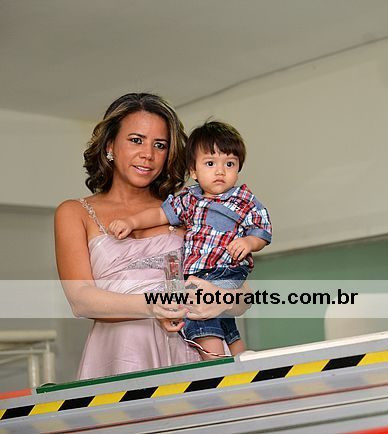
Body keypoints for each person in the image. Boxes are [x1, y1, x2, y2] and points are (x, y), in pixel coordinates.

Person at [55, 94, 248, 379]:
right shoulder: (74, 212)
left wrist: (224, 299)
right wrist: (154, 305)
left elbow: (242, 291)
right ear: (110, 145)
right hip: (121, 355)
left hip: (190, 349)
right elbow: (81, 300)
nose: (148, 154)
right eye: (136, 140)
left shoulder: (188, 208)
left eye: (160, 145)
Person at [109, 121, 272, 359]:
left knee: (200, 317)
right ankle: (242, 359)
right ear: (194, 171)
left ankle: (216, 366)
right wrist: (132, 222)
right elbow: (160, 214)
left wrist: (249, 243)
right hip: (198, 273)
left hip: (227, 271)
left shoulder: (243, 199)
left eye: (229, 164)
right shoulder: (188, 199)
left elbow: (262, 230)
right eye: (210, 163)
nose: (220, 171)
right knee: (224, 324)